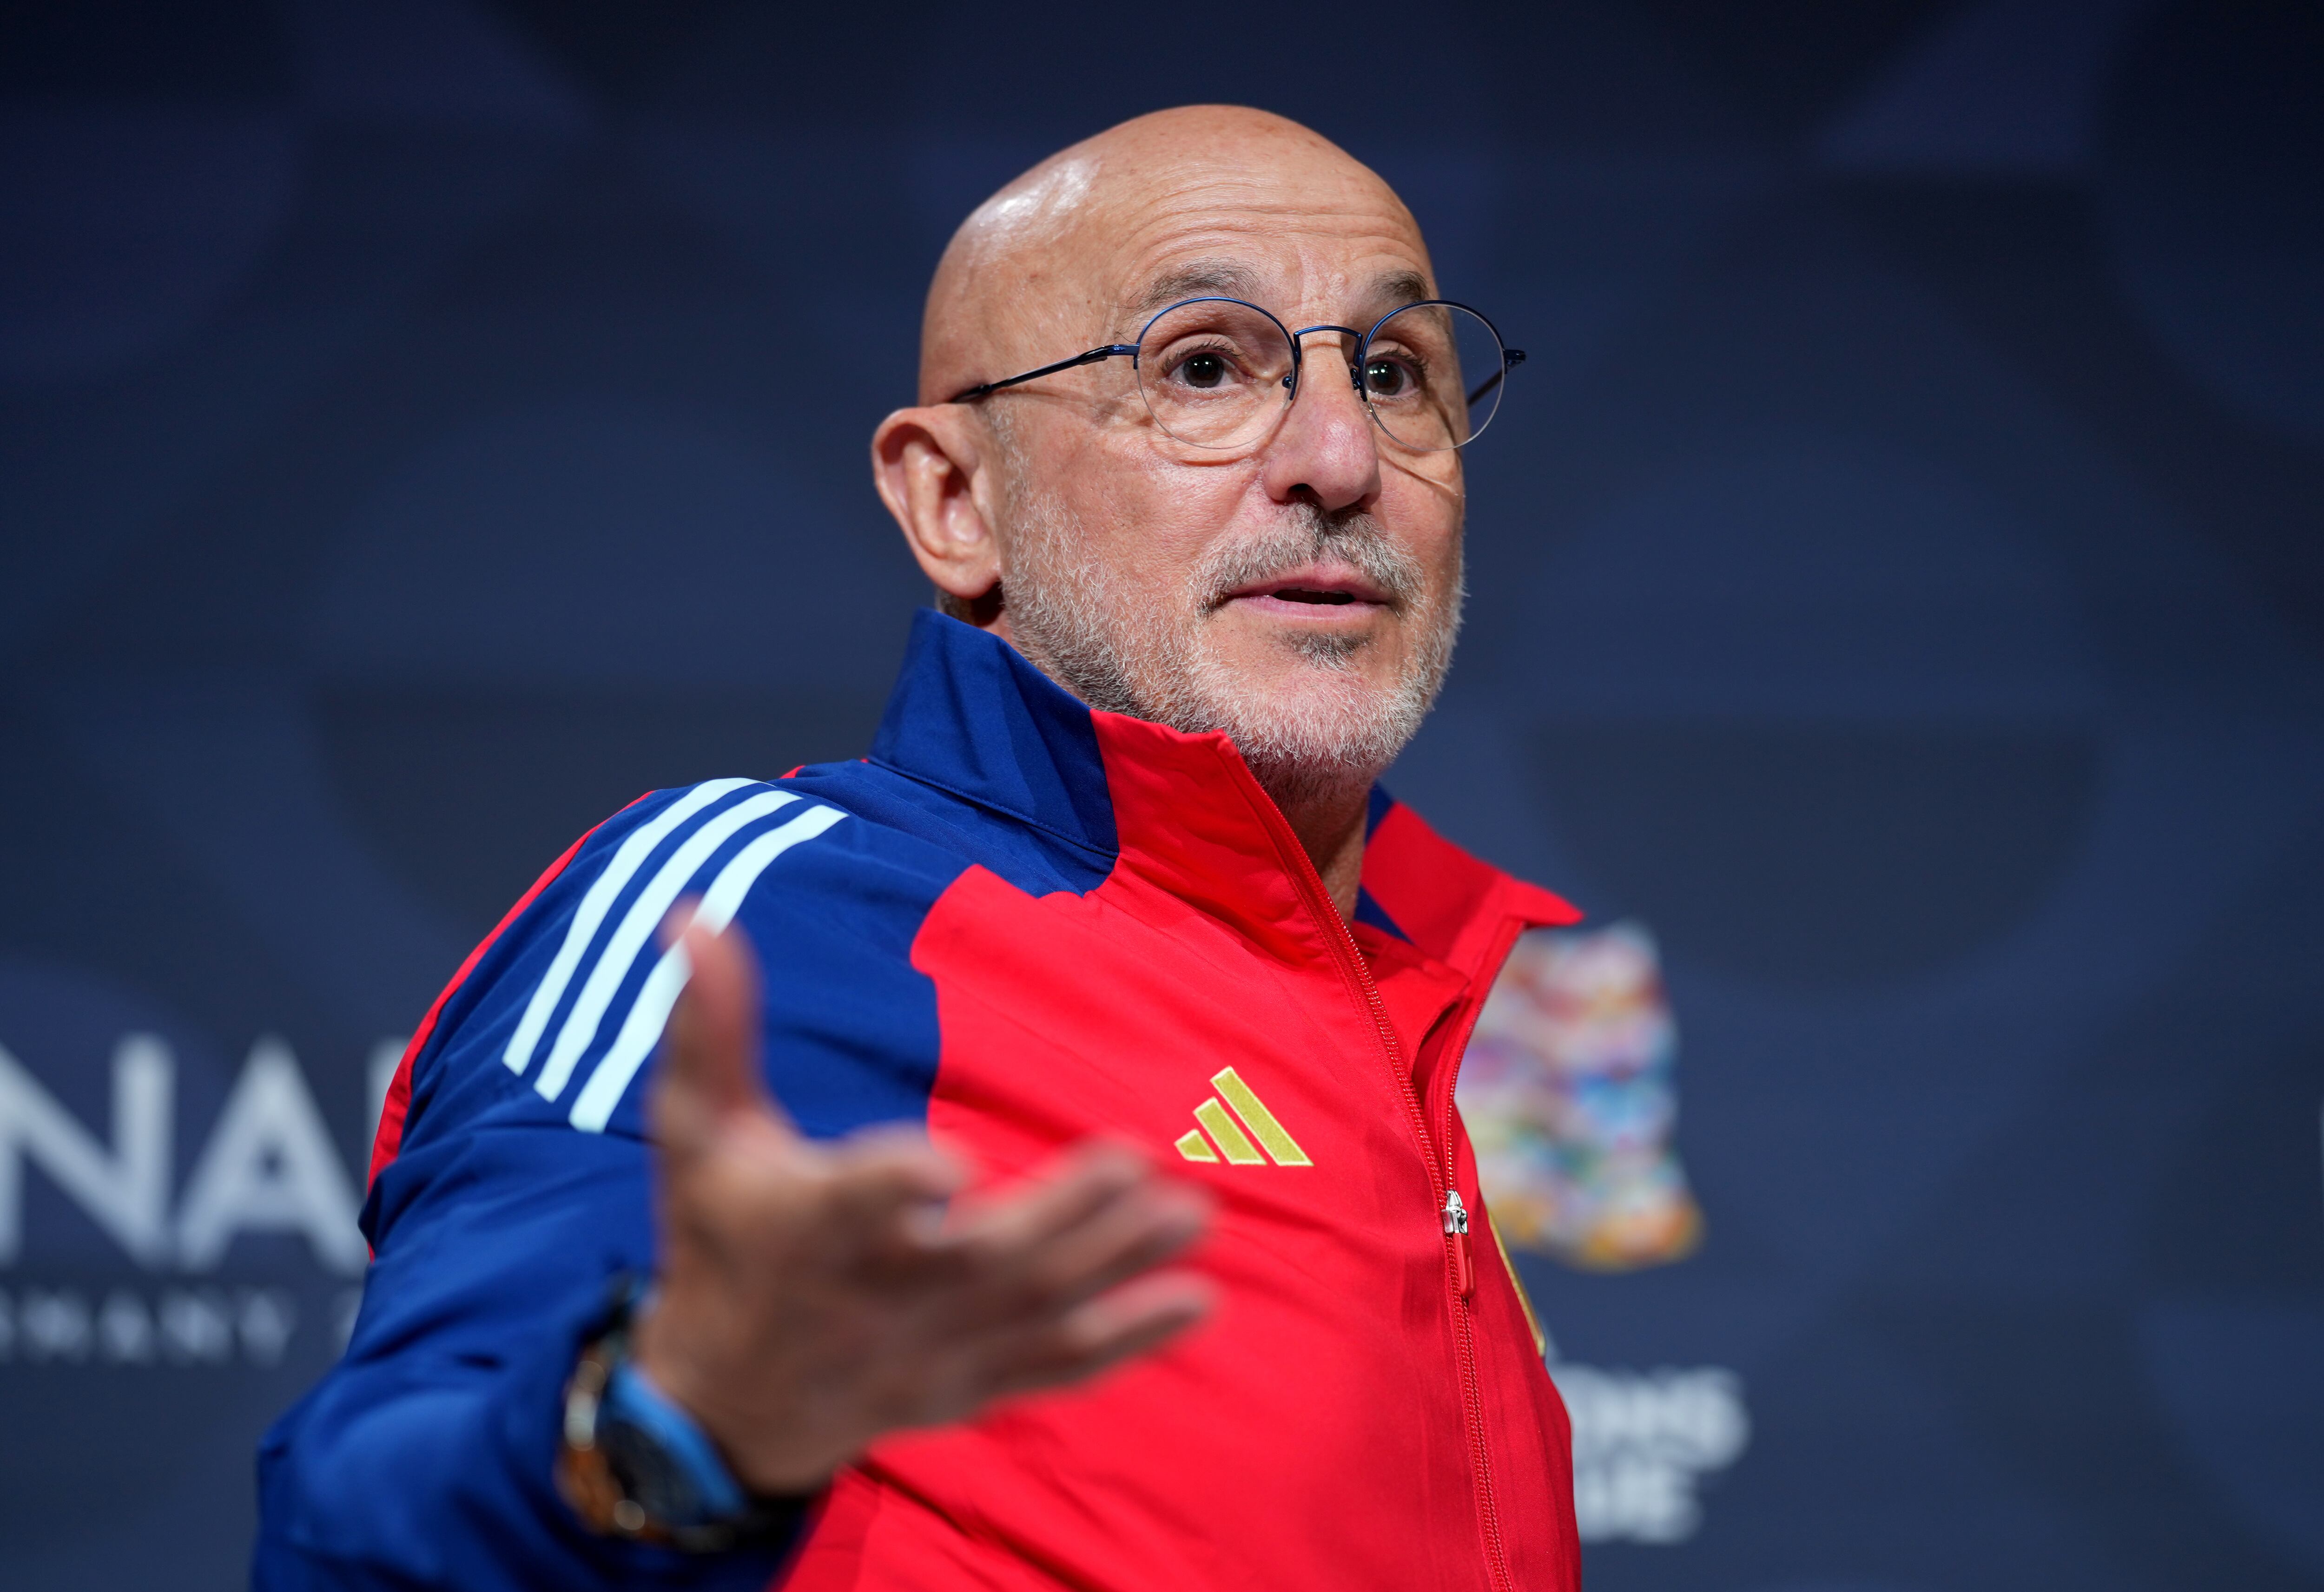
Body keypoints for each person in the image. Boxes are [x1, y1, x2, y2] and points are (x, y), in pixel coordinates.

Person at [255, 104, 1584, 1591]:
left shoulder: (1427, 975)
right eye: (1204, 366)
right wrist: (667, 1430)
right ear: (956, 500)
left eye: (1395, 372)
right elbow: (354, 1537)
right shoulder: (766, 917)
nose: (1341, 457)